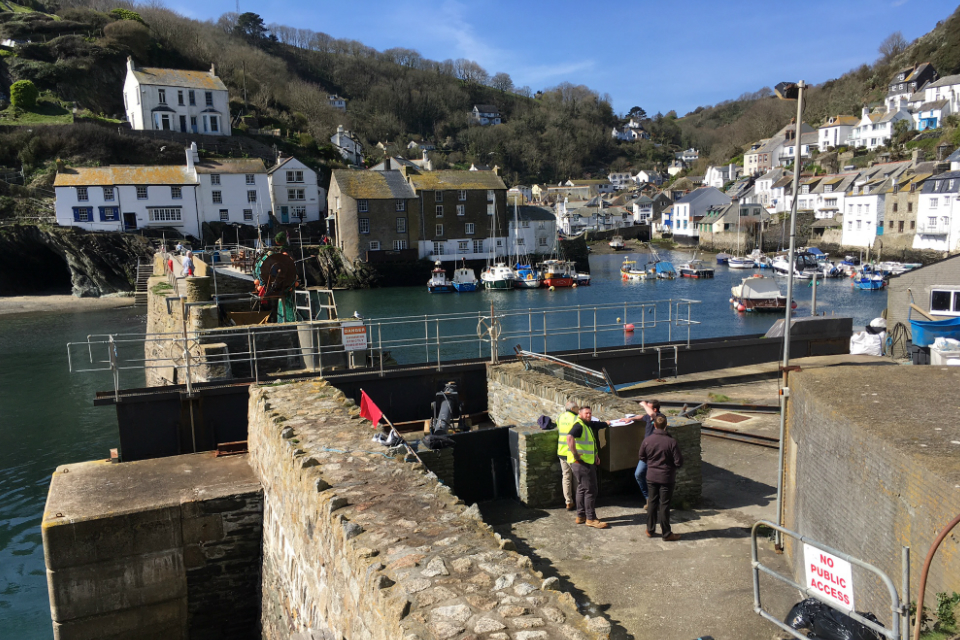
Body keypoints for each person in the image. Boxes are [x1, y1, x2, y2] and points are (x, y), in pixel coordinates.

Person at [638, 415, 683, 541]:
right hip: (666, 478)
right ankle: (666, 533)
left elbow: (641, 456)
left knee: (652, 502)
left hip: (651, 476)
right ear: (666, 426)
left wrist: (651, 464)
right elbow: (679, 462)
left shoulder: (648, 440)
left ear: (655, 425)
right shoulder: (671, 442)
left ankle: (650, 529)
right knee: (664, 505)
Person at [566, 405, 608, 529]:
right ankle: (591, 518)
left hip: (583, 462)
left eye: (590, 413)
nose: (589, 415)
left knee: (582, 488)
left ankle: (581, 516)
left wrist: (595, 455)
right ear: (580, 414)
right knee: (591, 490)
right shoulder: (579, 425)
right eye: (586, 413)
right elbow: (569, 437)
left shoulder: (585, 424)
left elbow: (589, 441)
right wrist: (575, 454)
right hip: (582, 463)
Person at [634, 400, 665, 503]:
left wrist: (643, 404)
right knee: (638, 474)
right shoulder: (649, 416)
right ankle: (648, 498)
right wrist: (629, 418)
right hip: (646, 453)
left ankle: (657, 499)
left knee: (655, 477)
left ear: (655, 409)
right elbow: (642, 417)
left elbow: (651, 413)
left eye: (649, 407)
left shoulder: (660, 417)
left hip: (656, 454)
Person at [556, 401, 580, 511]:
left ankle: (568, 502)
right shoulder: (576, 419)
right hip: (572, 451)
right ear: (573, 409)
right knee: (576, 476)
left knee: (566, 476)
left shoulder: (560, 417)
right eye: (577, 408)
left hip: (561, 451)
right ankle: (578, 500)